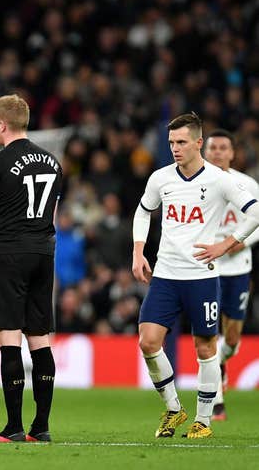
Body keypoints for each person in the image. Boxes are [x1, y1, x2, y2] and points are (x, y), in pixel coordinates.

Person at [132, 113, 259, 439]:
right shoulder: (161, 178)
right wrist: (138, 250)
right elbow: (144, 210)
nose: (175, 148)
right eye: (172, 142)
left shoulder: (220, 180)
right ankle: (174, 408)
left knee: (205, 347)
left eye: (182, 142)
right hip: (165, 274)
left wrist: (228, 243)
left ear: (198, 143)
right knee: (148, 341)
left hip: (201, 276)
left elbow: (255, 212)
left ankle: (203, 420)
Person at [0, 94, 63, 443]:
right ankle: (42, 427)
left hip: (12, 254)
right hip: (44, 252)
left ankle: (14, 427)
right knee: (39, 337)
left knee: (8, 337)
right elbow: (51, 215)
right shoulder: (52, 161)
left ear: (1, 124)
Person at [203, 129, 259, 420]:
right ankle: (217, 402)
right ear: (205, 151)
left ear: (232, 153)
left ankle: (222, 363)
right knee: (209, 332)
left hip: (238, 266)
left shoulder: (247, 184)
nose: (218, 153)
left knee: (233, 338)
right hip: (206, 267)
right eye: (213, 148)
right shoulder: (196, 184)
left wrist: (241, 242)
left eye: (224, 148)